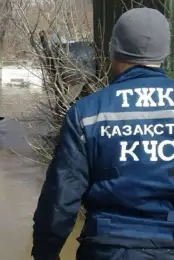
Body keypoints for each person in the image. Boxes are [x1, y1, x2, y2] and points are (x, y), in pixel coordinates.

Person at [32, 8, 174, 260]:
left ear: (113, 49)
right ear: (165, 52)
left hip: (109, 248)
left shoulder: (87, 112)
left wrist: (45, 252)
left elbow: (62, 195)